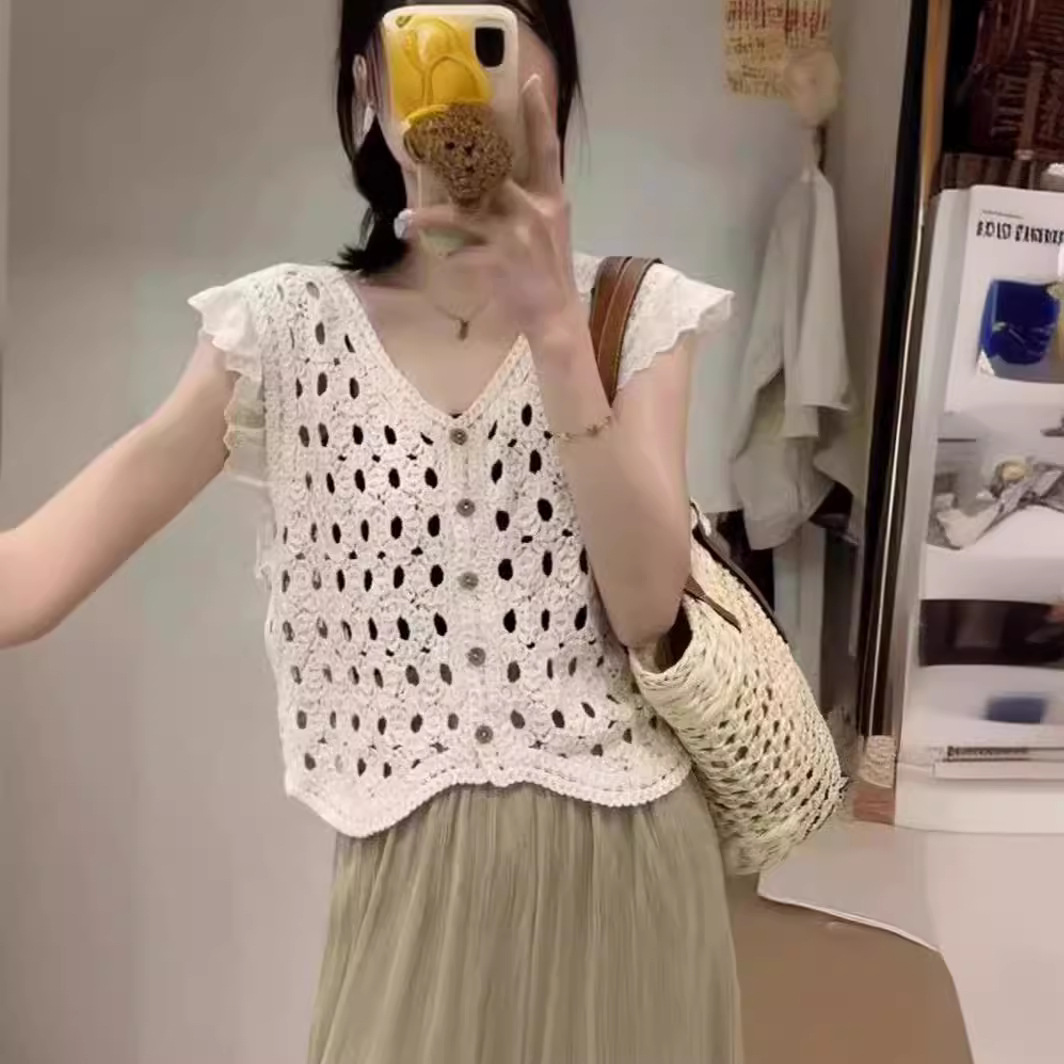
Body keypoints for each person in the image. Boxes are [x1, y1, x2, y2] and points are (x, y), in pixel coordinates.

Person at [0, 2, 740, 1061]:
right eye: (416, 24)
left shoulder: (639, 312)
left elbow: (646, 603)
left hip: (635, 886)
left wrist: (553, 330)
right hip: (414, 896)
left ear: (552, 70)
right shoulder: (281, 332)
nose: (452, 66)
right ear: (365, 83)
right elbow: (29, 578)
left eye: (490, 28)